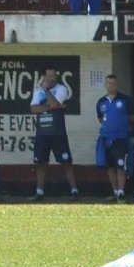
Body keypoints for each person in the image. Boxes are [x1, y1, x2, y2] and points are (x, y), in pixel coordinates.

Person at [29, 66, 79, 198]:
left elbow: (54, 103)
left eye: (54, 75)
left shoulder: (61, 89)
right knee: (41, 163)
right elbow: (33, 109)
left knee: (66, 162)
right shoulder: (37, 91)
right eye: (50, 76)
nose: (53, 78)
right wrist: (51, 106)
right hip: (42, 133)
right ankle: (39, 192)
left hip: (58, 132)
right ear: (44, 77)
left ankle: (74, 190)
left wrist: (47, 93)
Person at [94, 73, 134, 201]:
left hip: (121, 138)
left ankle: (121, 191)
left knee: (121, 165)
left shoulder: (125, 100)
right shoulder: (101, 102)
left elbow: (133, 117)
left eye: (113, 83)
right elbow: (100, 118)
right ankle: (115, 192)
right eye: (109, 83)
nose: (111, 85)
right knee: (110, 166)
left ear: (117, 85)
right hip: (106, 138)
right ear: (105, 84)